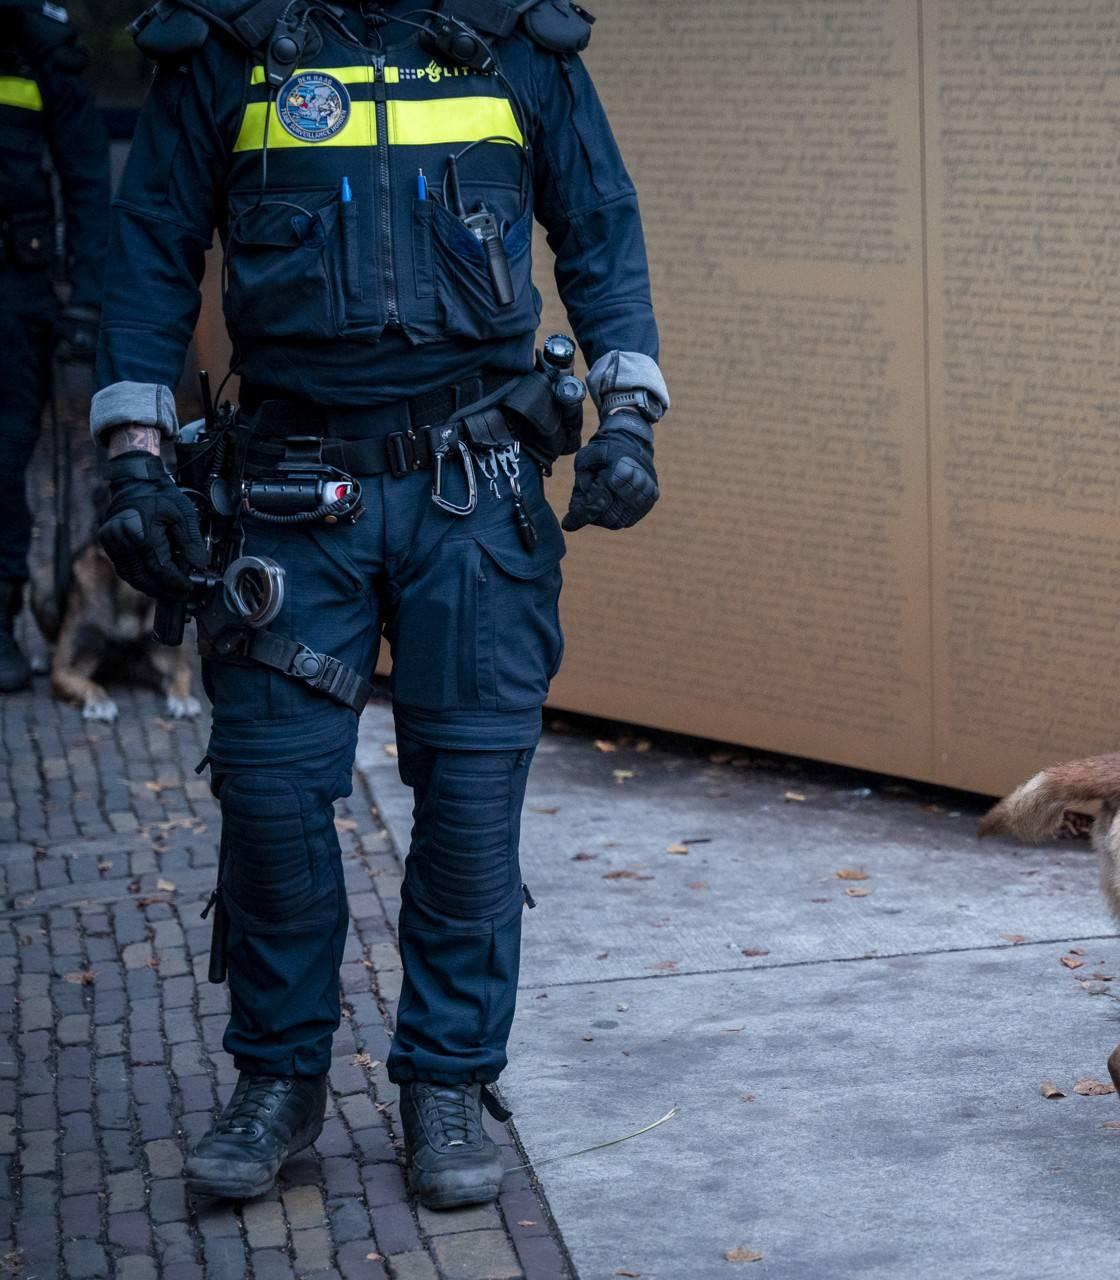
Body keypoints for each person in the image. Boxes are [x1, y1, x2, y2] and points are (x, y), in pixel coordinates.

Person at [93, 0, 668, 1206]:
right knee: (269, 800)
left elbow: (600, 225)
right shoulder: (227, 46)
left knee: (470, 807)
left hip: (478, 494)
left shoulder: (517, 42)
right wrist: (135, 453)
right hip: (287, 493)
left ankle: (447, 1082)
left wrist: (629, 414)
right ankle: (279, 1078)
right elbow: (149, 245)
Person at [0, 0, 109, 693]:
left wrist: (87, 299)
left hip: (14, 290)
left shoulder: (36, 43)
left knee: (3, 461)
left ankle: (0, 617)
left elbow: (88, 179)